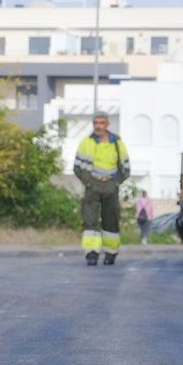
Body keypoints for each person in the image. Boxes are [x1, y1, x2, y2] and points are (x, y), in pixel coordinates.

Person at [73, 114, 130, 265]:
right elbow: (77, 167)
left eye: (102, 123)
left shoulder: (117, 143)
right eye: (96, 123)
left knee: (111, 219)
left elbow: (126, 166)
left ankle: (110, 253)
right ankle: (91, 253)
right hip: (92, 185)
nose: (98, 126)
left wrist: (116, 182)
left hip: (111, 185)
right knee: (90, 220)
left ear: (107, 125)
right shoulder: (86, 142)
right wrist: (89, 182)